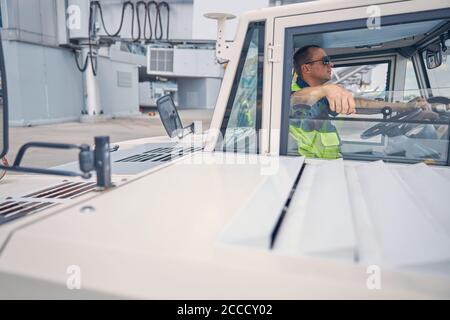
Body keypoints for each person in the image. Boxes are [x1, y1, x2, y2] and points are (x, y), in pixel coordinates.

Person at [289, 45, 433, 159]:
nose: (331, 64)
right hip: (306, 166)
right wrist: (327, 90)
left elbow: (360, 104)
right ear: (306, 67)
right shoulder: (290, 93)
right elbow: (295, 100)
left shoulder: (321, 94)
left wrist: (404, 106)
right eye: (325, 61)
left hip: (328, 162)